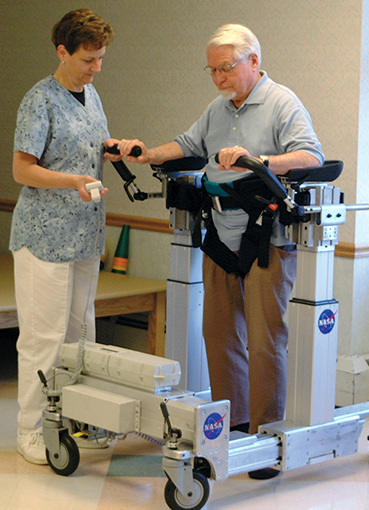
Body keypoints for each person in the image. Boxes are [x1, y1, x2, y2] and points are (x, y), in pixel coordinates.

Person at [117, 24, 324, 479]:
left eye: (225, 68)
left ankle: (266, 436)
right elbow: (188, 147)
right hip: (219, 235)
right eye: (211, 70)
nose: (218, 78)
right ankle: (233, 426)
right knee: (218, 334)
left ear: (253, 61)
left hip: (265, 238)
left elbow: (311, 157)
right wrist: (146, 153)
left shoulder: (282, 102)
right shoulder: (216, 109)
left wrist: (258, 159)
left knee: (265, 339)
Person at [10, 9, 120, 465]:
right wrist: (73, 181)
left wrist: (118, 150)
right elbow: (22, 169)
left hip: (83, 236)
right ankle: (30, 429)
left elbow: (96, 145)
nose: (97, 68)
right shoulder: (40, 100)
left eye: (100, 59)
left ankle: (76, 418)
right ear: (63, 52)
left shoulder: (90, 96)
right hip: (44, 238)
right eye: (89, 59)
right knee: (45, 336)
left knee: (80, 334)